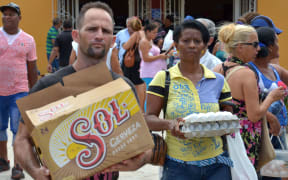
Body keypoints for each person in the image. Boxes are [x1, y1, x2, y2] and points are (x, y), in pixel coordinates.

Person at [14, 2, 153, 179]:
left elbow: (142, 139)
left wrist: (140, 160)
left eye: (106, 31)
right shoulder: (48, 85)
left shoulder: (122, 87)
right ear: (76, 36)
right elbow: (21, 138)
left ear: (112, 40)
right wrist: (35, 171)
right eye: (92, 29)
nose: (99, 35)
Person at [145, 20, 234, 180]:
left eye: (197, 41)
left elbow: (228, 121)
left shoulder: (218, 80)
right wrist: (169, 124)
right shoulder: (164, 78)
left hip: (217, 165)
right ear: (176, 45)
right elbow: (148, 119)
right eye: (186, 41)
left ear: (205, 45)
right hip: (178, 167)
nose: (192, 45)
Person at [213, 23, 285, 167]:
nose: (258, 49)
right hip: (244, 138)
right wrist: (272, 97)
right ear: (240, 47)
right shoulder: (246, 74)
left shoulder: (218, 68)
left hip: (223, 135)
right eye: (254, 44)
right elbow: (254, 115)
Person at [0, 2, 38, 179]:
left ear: (19, 18)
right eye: (4, 14)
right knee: (0, 129)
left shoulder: (28, 40)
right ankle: (3, 160)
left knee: (18, 131)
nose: (7, 17)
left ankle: (18, 166)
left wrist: (35, 94)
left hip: (20, 91)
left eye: (11, 14)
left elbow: (32, 68)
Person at [248, 27, 288, 180]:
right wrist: (271, 118)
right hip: (261, 134)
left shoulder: (274, 69)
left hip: (277, 133)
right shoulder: (250, 71)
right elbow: (247, 103)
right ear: (271, 47)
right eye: (277, 42)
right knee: (261, 174)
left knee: (276, 175)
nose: (279, 46)